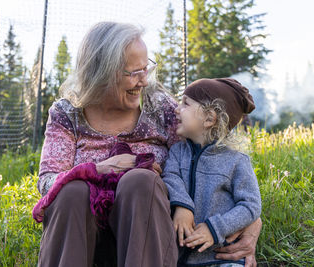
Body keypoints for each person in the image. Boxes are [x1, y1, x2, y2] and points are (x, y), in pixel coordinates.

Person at [36, 21, 262, 267]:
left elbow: (202, 164)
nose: (143, 80)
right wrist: (98, 170)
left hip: (149, 238)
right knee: (71, 191)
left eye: (146, 68)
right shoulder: (67, 113)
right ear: (101, 72)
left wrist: (251, 222)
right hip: (82, 237)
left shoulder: (159, 106)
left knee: (140, 180)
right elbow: (48, 183)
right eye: (134, 72)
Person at [162, 78, 262, 267]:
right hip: (181, 260)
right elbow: (170, 177)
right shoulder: (177, 152)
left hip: (221, 257)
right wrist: (183, 206)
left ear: (209, 118)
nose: (176, 109)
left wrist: (214, 228)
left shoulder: (236, 161)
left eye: (185, 104)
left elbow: (251, 205)